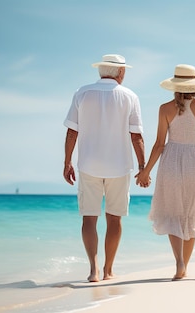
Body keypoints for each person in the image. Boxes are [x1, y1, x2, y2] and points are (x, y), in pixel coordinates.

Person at [136, 64, 195, 280]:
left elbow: (159, 144)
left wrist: (145, 171)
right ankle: (185, 264)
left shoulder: (165, 108)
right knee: (191, 217)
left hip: (171, 164)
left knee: (174, 214)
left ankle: (179, 263)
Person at [62, 54, 146, 282]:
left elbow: (72, 131)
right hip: (119, 166)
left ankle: (93, 270)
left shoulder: (82, 92)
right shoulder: (130, 96)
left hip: (88, 164)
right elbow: (136, 135)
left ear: (101, 71)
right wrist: (142, 165)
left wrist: (67, 161)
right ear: (120, 72)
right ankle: (108, 270)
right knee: (114, 219)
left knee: (89, 219)